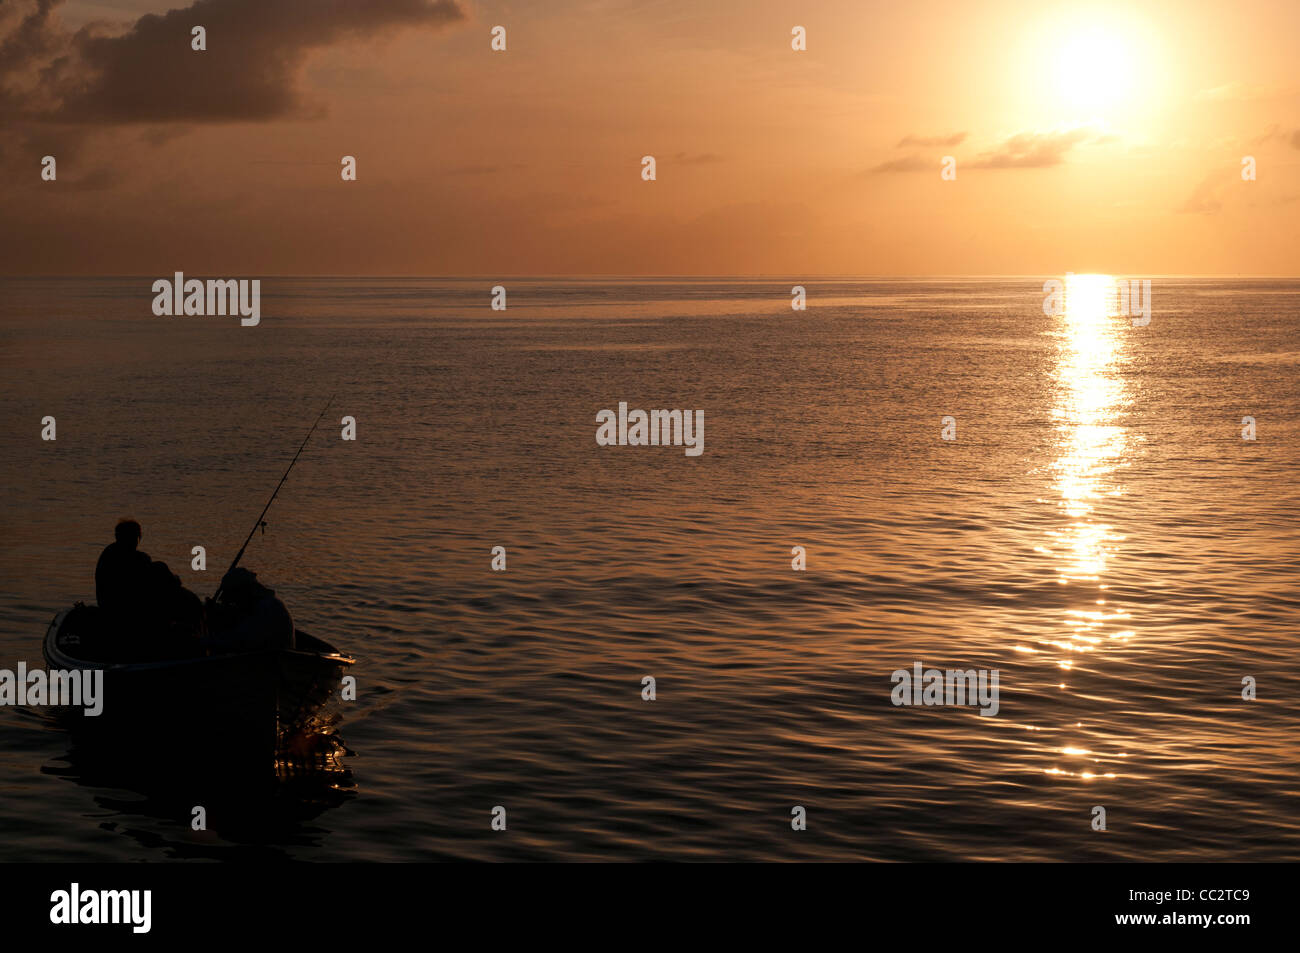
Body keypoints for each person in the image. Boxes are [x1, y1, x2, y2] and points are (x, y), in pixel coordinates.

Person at [205, 567, 294, 653]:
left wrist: (202, 641)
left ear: (242, 592)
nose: (234, 604)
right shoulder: (262, 604)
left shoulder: (267, 608)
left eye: (233, 600)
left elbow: (238, 640)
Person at [94, 519, 151, 623]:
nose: (135, 541)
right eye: (133, 537)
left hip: (109, 605)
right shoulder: (128, 557)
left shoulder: (110, 552)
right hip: (119, 607)